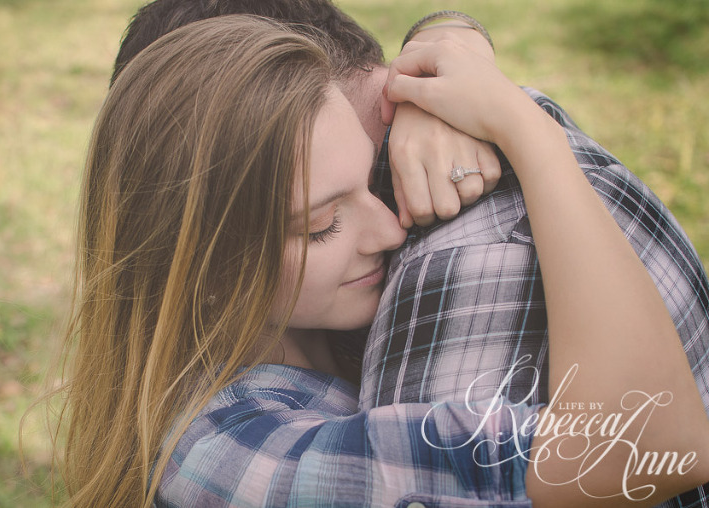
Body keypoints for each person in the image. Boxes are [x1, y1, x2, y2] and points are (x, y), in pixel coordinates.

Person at [49, 14, 709, 507]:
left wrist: (452, 44)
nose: (390, 228)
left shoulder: (296, 334)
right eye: (322, 225)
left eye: (371, 181)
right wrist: (529, 131)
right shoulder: (226, 458)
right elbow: (651, 443)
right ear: (203, 273)